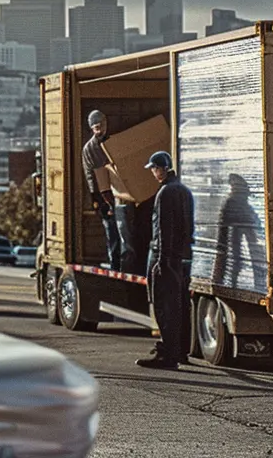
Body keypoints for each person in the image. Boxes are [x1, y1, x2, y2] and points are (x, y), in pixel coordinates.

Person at [137, 151, 194, 370]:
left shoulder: (164, 193)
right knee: (180, 306)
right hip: (182, 257)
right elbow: (186, 228)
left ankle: (167, 356)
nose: (153, 173)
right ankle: (181, 352)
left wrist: (162, 259)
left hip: (164, 256)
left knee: (163, 306)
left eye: (154, 169)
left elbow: (163, 228)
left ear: (162, 169)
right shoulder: (184, 191)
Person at [82, 110, 128, 272]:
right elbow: (91, 176)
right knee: (112, 233)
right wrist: (98, 201)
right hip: (105, 196)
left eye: (103, 125)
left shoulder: (113, 141)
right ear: (92, 128)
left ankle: (124, 264)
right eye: (97, 126)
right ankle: (115, 265)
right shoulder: (90, 148)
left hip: (121, 193)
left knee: (124, 233)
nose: (101, 129)